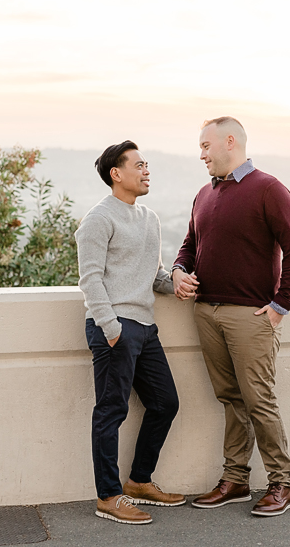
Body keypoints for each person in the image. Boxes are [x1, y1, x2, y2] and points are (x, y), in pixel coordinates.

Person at [172, 117, 290, 517]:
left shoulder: (269, 188)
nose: (201, 155)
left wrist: (280, 307)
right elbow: (188, 246)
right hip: (206, 312)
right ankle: (236, 480)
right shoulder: (203, 194)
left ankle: (281, 483)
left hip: (250, 314)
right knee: (230, 399)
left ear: (229, 141)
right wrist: (179, 272)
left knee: (259, 400)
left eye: (205, 146)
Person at [76, 141, 185, 525]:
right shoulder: (98, 219)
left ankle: (139, 481)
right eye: (139, 165)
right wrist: (111, 328)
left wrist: (178, 283)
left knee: (165, 403)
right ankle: (108, 496)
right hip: (114, 329)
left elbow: (152, 275)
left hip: (145, 328)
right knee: (111, 412)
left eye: (147, 164)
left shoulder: (149, 219)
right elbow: (89, 279)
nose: (146, 170)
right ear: (116, 174)